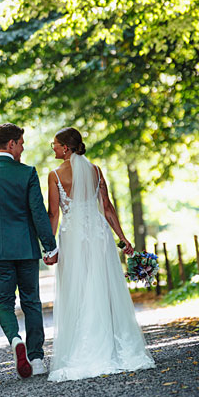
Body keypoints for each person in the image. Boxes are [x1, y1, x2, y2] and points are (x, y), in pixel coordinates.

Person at [46, 127, 155, 382]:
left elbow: (54, 213)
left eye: (55, 144)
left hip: (73, 237)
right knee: (103, 286)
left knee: (78, 287)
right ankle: (113, 345)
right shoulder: (95, 171)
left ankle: (85, 346)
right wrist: (123, 238)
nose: (53, 148)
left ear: (65, 148)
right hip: (98, 234)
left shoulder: (55, 175)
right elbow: (106, 207)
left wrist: (50, 248)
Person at [0, 123, 58, 379]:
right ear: (11, 144)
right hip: (26, 249)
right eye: (21, 144)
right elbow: (38, 212)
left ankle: (15, 340)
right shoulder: (27, 173)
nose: (22, 149)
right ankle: (36, 359)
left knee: (3, 303)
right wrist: (49, 246)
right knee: (31, 302)